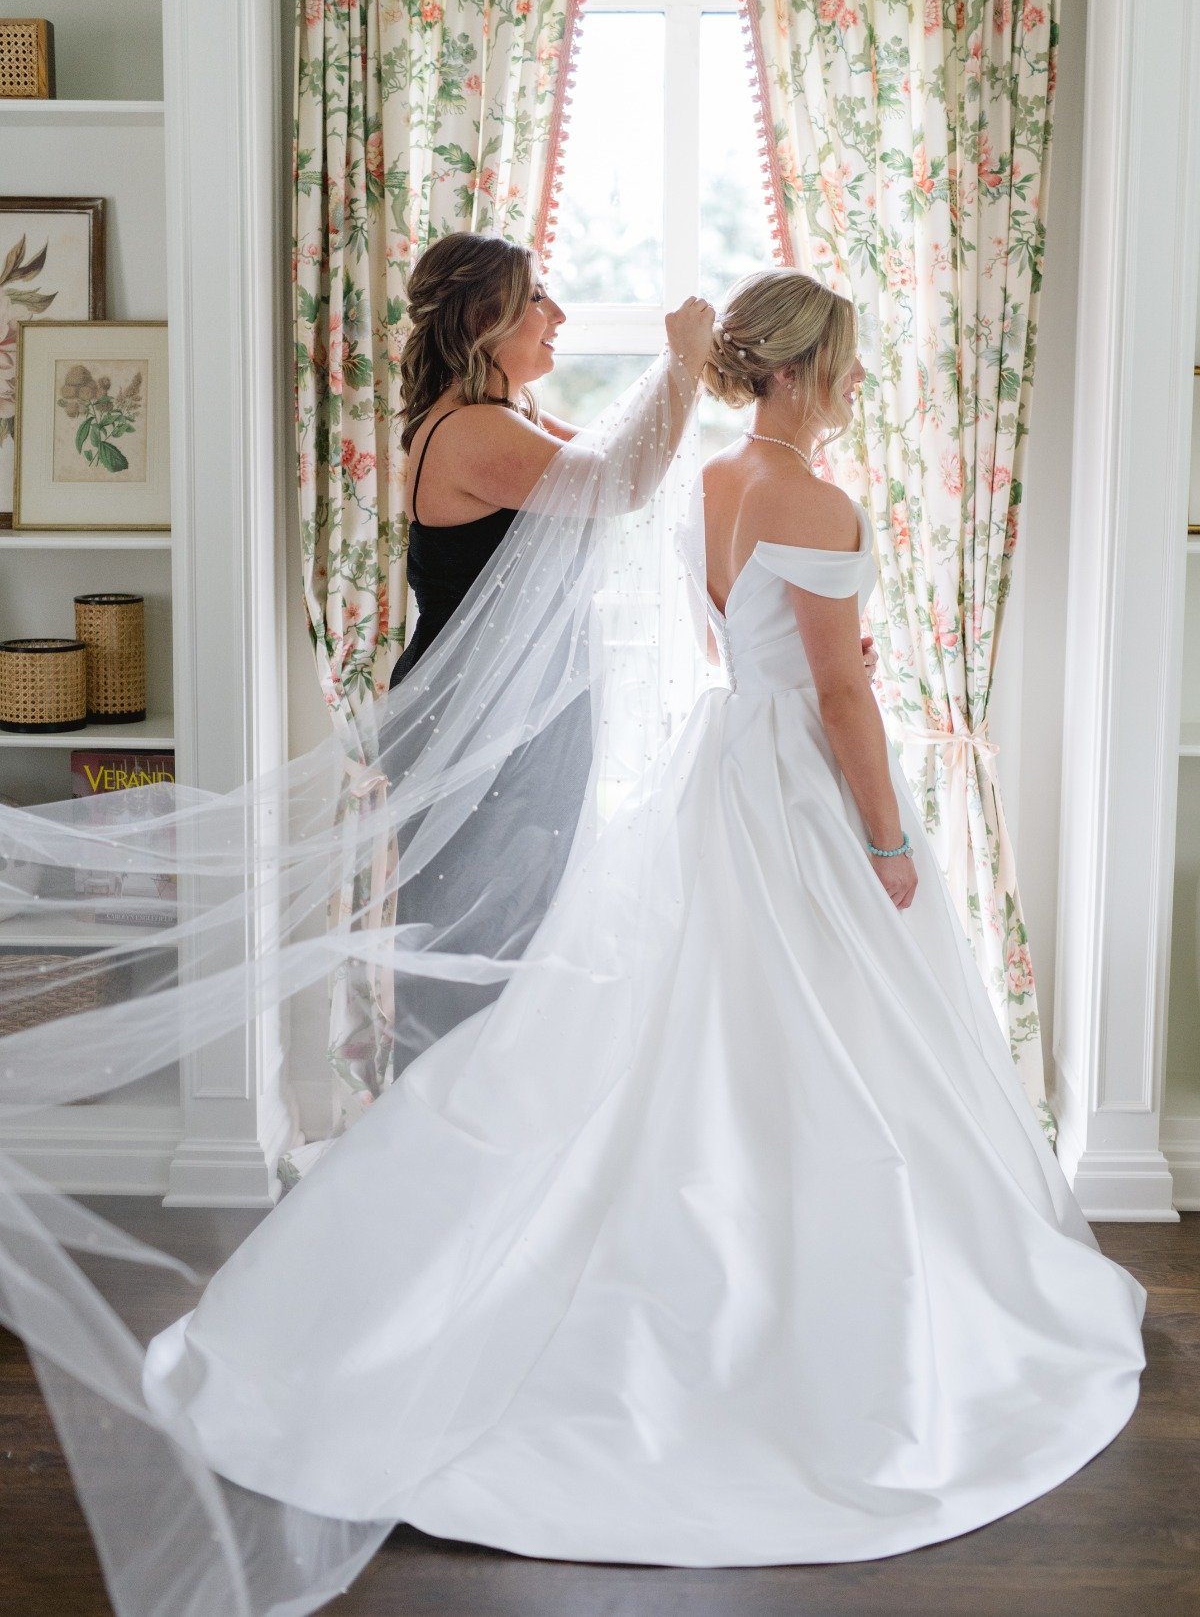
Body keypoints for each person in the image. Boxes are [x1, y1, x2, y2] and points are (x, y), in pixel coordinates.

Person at [135, 265, 1146, 1579]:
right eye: (843, 365)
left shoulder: (717, 485)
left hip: (724, 763)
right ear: (806, 369)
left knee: (695, 1017)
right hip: (791, 780)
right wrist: (891, 840)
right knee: (815, 1018)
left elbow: (739, 631)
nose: (853, 387)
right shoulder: (814, 495)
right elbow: (842, 698)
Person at [380, 233, 716, 1071]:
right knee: (480, 944)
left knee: (520, 934)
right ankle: (444, 1154)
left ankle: (501, 1146)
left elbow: (617, 462)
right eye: (537, 299)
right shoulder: (467, 432)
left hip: (515, 720)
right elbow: (616, 482)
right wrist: (681, 365)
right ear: (484, 321)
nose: (557, 314)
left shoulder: (507, 417)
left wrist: (686, 374)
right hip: (477, 724)